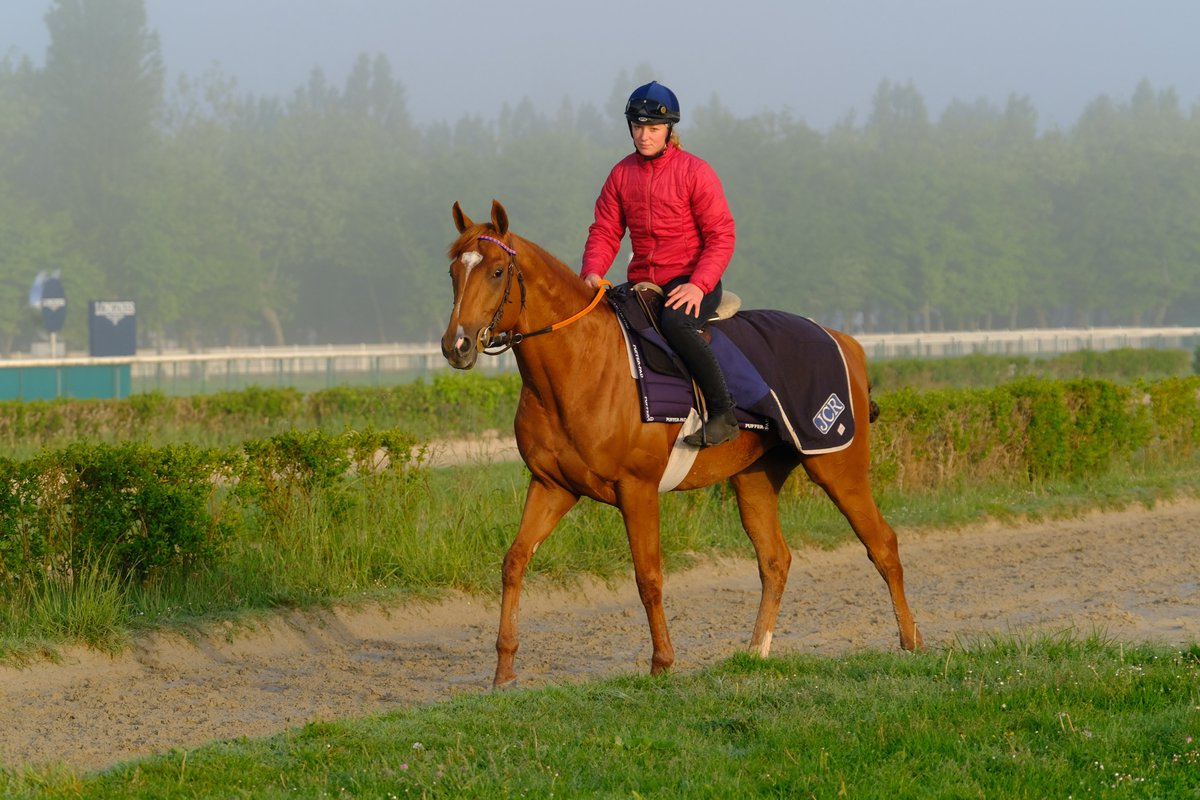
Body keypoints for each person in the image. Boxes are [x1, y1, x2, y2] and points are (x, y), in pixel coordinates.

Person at [581, 80, 740, 447]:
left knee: (676, 323)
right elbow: (605, 230)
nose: (644, 136)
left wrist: (698, 284)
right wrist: (592, 272)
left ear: (669, 130)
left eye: (653, 128)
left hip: (693, 279)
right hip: (643, 282)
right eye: (638, 127)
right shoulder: (621, 175)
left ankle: (723, 413)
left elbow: (721, 235)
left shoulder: (695, 172)